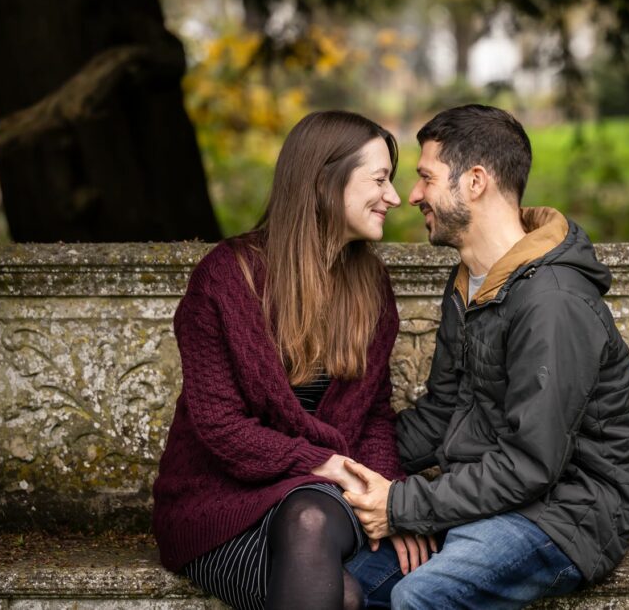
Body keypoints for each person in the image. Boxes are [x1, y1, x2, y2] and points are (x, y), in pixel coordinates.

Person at [343, 104, 629, 609]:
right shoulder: (470, 279)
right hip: (489, 494)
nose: (412, 195)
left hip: (566, 514)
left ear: (476, 181)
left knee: (422, 597)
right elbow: (442, 414)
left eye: (426, 178)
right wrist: (340, 454)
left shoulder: (553, 302)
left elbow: (532, 463)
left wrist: (402, 505)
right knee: (351, 585)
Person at [152, 110, 434, 610]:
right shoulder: (226, 279)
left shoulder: (370, 288)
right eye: (380, 179)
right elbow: (221, 428)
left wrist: (391, 502)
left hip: (321, 504)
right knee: (343, 594)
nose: (393, 197)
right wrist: (323, 463)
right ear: (326, 180)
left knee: (311, 516)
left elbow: (372, 418)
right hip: (219, 503)